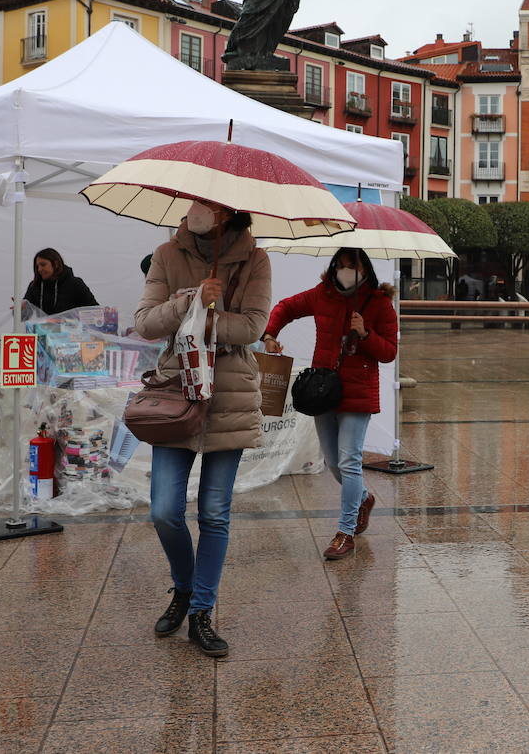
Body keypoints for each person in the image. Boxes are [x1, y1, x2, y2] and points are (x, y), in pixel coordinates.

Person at [134, 199, 272, 658]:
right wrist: (187, 303)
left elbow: (253, 327)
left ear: (230, 212)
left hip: (229, 394)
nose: (198, 209)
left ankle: (201, 611)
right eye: (196, 201)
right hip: (177, 392)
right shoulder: (165, 254)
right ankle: (183, 587)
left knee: (214, 512)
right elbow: (145, 323)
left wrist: (210, 314)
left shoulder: (255, 259)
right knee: (163, 509)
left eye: (209, 205)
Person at [263, 247, 399, 561]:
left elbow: (389, 352)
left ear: (364, 269)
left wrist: (365, 334)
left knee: (349, 462)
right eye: (340, 265)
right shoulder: (322, 295)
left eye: (351, 266)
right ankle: (363, 499)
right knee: (335, 465)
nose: (344, 271)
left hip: (358, 392)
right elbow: (286, 307)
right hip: (323, 390)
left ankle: (345, 532)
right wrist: (270, 333)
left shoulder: (378, 303)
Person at [22, 248, 98, 316]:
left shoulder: (75, 284)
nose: (39, 269)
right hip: (41, 331)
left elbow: (95, 310)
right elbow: (24, 318)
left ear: (56, 264)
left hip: (71, 331)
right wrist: (20, 310)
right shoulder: (34, 286)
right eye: (37, 266)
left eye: (43, 265)